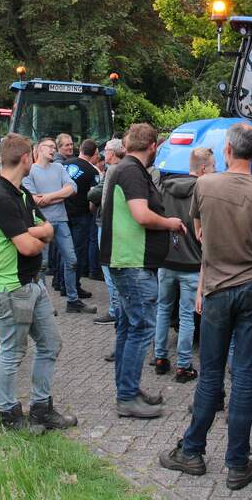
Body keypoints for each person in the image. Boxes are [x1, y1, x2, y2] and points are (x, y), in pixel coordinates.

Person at [158, 124, 252, 490]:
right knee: (243, 377)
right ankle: (238, 464)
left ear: (227, 150)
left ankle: (192, 451)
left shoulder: (205, 186)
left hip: (216, 288)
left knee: (210, 375)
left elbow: (200, 233)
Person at [0, 133, 77, 433]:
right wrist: (35, 235)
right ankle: (8, 416)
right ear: (26, 158)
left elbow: (46, 229)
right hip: (11, 286)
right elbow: (29, 245)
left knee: (50, 343)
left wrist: (32, 234)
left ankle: (40, 408)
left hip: (33, 283)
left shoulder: (21, 193)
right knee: (12, 351)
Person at [101, 123, 185, 419]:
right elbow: (141, 215)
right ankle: (126, 397)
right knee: (141, 329)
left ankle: (129, 390)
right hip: (133, 262)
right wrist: (171, 223)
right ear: (153, 147)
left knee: (128, 327)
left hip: (128, 261)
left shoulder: (124, 168)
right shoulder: (132, 171)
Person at [153, 146, 215, 381]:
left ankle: (159, 358)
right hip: (191, 263)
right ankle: (183, 366)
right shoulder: (203, 192)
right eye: (213, 167)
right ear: (202, 168)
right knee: (187, 316)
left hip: (166, 260)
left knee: (163, 309)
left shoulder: (165, 188)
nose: (215, 171)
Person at [23, 137, 91, 313]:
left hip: (61, 220)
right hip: (41, 223)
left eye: (54, 147)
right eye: (49, 147)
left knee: (72, 260)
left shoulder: (59, 167)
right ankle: (43, 304)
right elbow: (34, 200)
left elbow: (72, 188)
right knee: (42, 265)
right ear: (38, 149)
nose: (53, 150)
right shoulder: (30, 171)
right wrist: (60, 196)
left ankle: (73, 300)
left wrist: (48, 197)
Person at [88, 137, 125, 331]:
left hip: (106, 222)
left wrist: (92, 190)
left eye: (106, 151)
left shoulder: (112, 170)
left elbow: (94, 194)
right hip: (114, 222)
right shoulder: (125, 168)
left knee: (109, 269)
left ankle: (114, 310)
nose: (104, 154)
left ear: (111, 152)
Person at [64, 139, 99, 293]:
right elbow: (93, 196)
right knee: (78, 252)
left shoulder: (64, 164)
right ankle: (74, 287)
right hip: (81, 215)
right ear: (94, 154)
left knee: (63, 250)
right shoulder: (92, 171)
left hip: (63, 212)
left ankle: (60, 284)